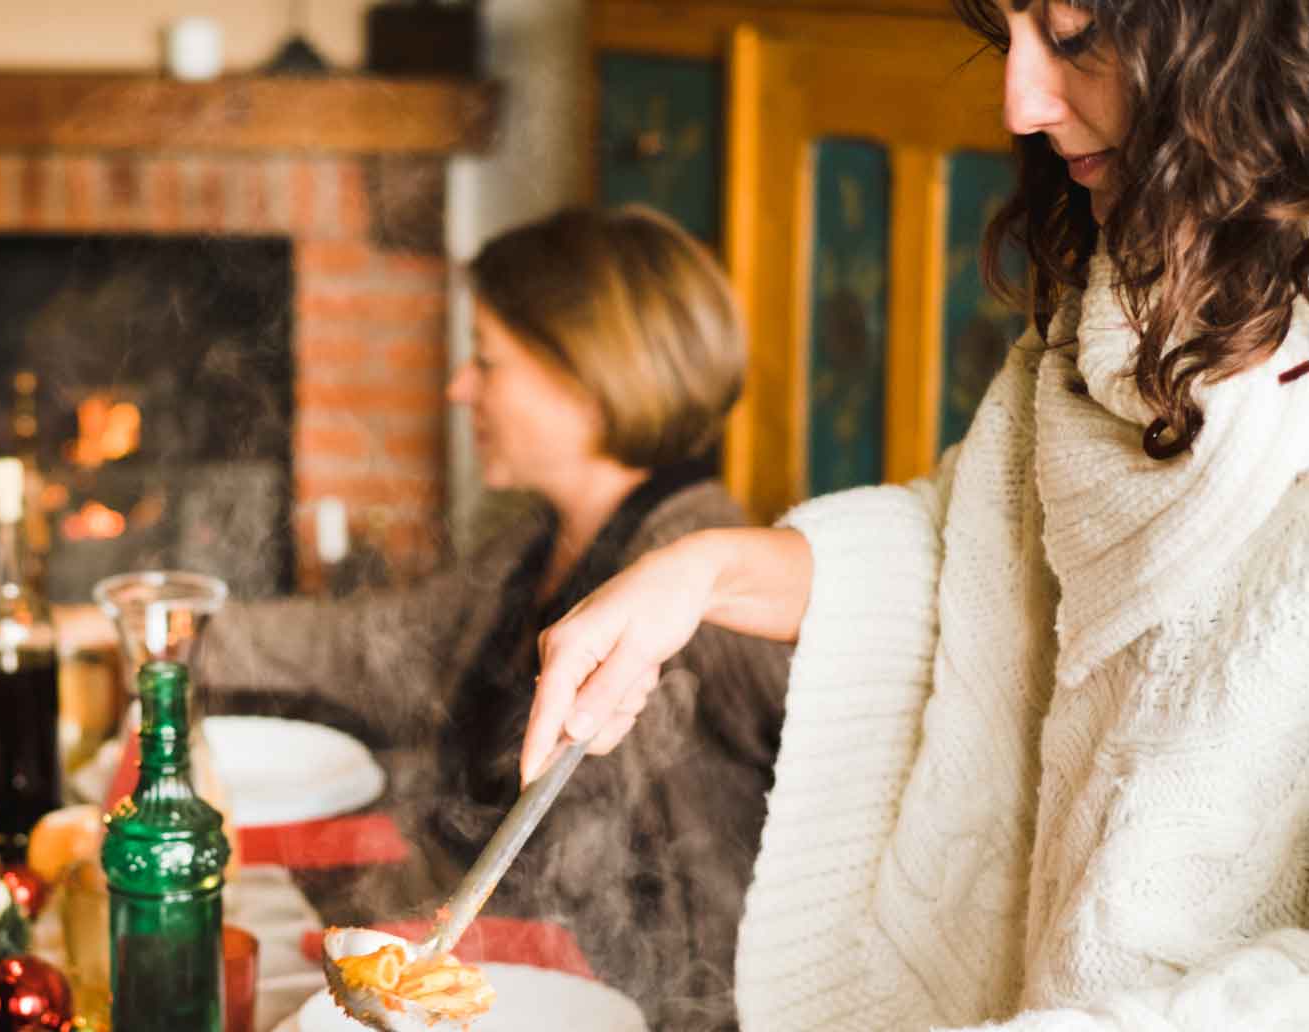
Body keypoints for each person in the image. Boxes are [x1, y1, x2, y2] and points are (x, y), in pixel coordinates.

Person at [524, 2, 1309, 1029]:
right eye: (1003, 37)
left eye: (1073, 37)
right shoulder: (1111, 318)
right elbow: (972, 560)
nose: (1018, 102)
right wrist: (697, 570)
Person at [195, 206, 789, 1032]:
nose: (459, 388)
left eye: (488, 362)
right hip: (477, 964)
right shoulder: (530, 549)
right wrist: (171, 632)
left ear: (586, 378)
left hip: (636, 1012)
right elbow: (361, 643)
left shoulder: (707, 579)